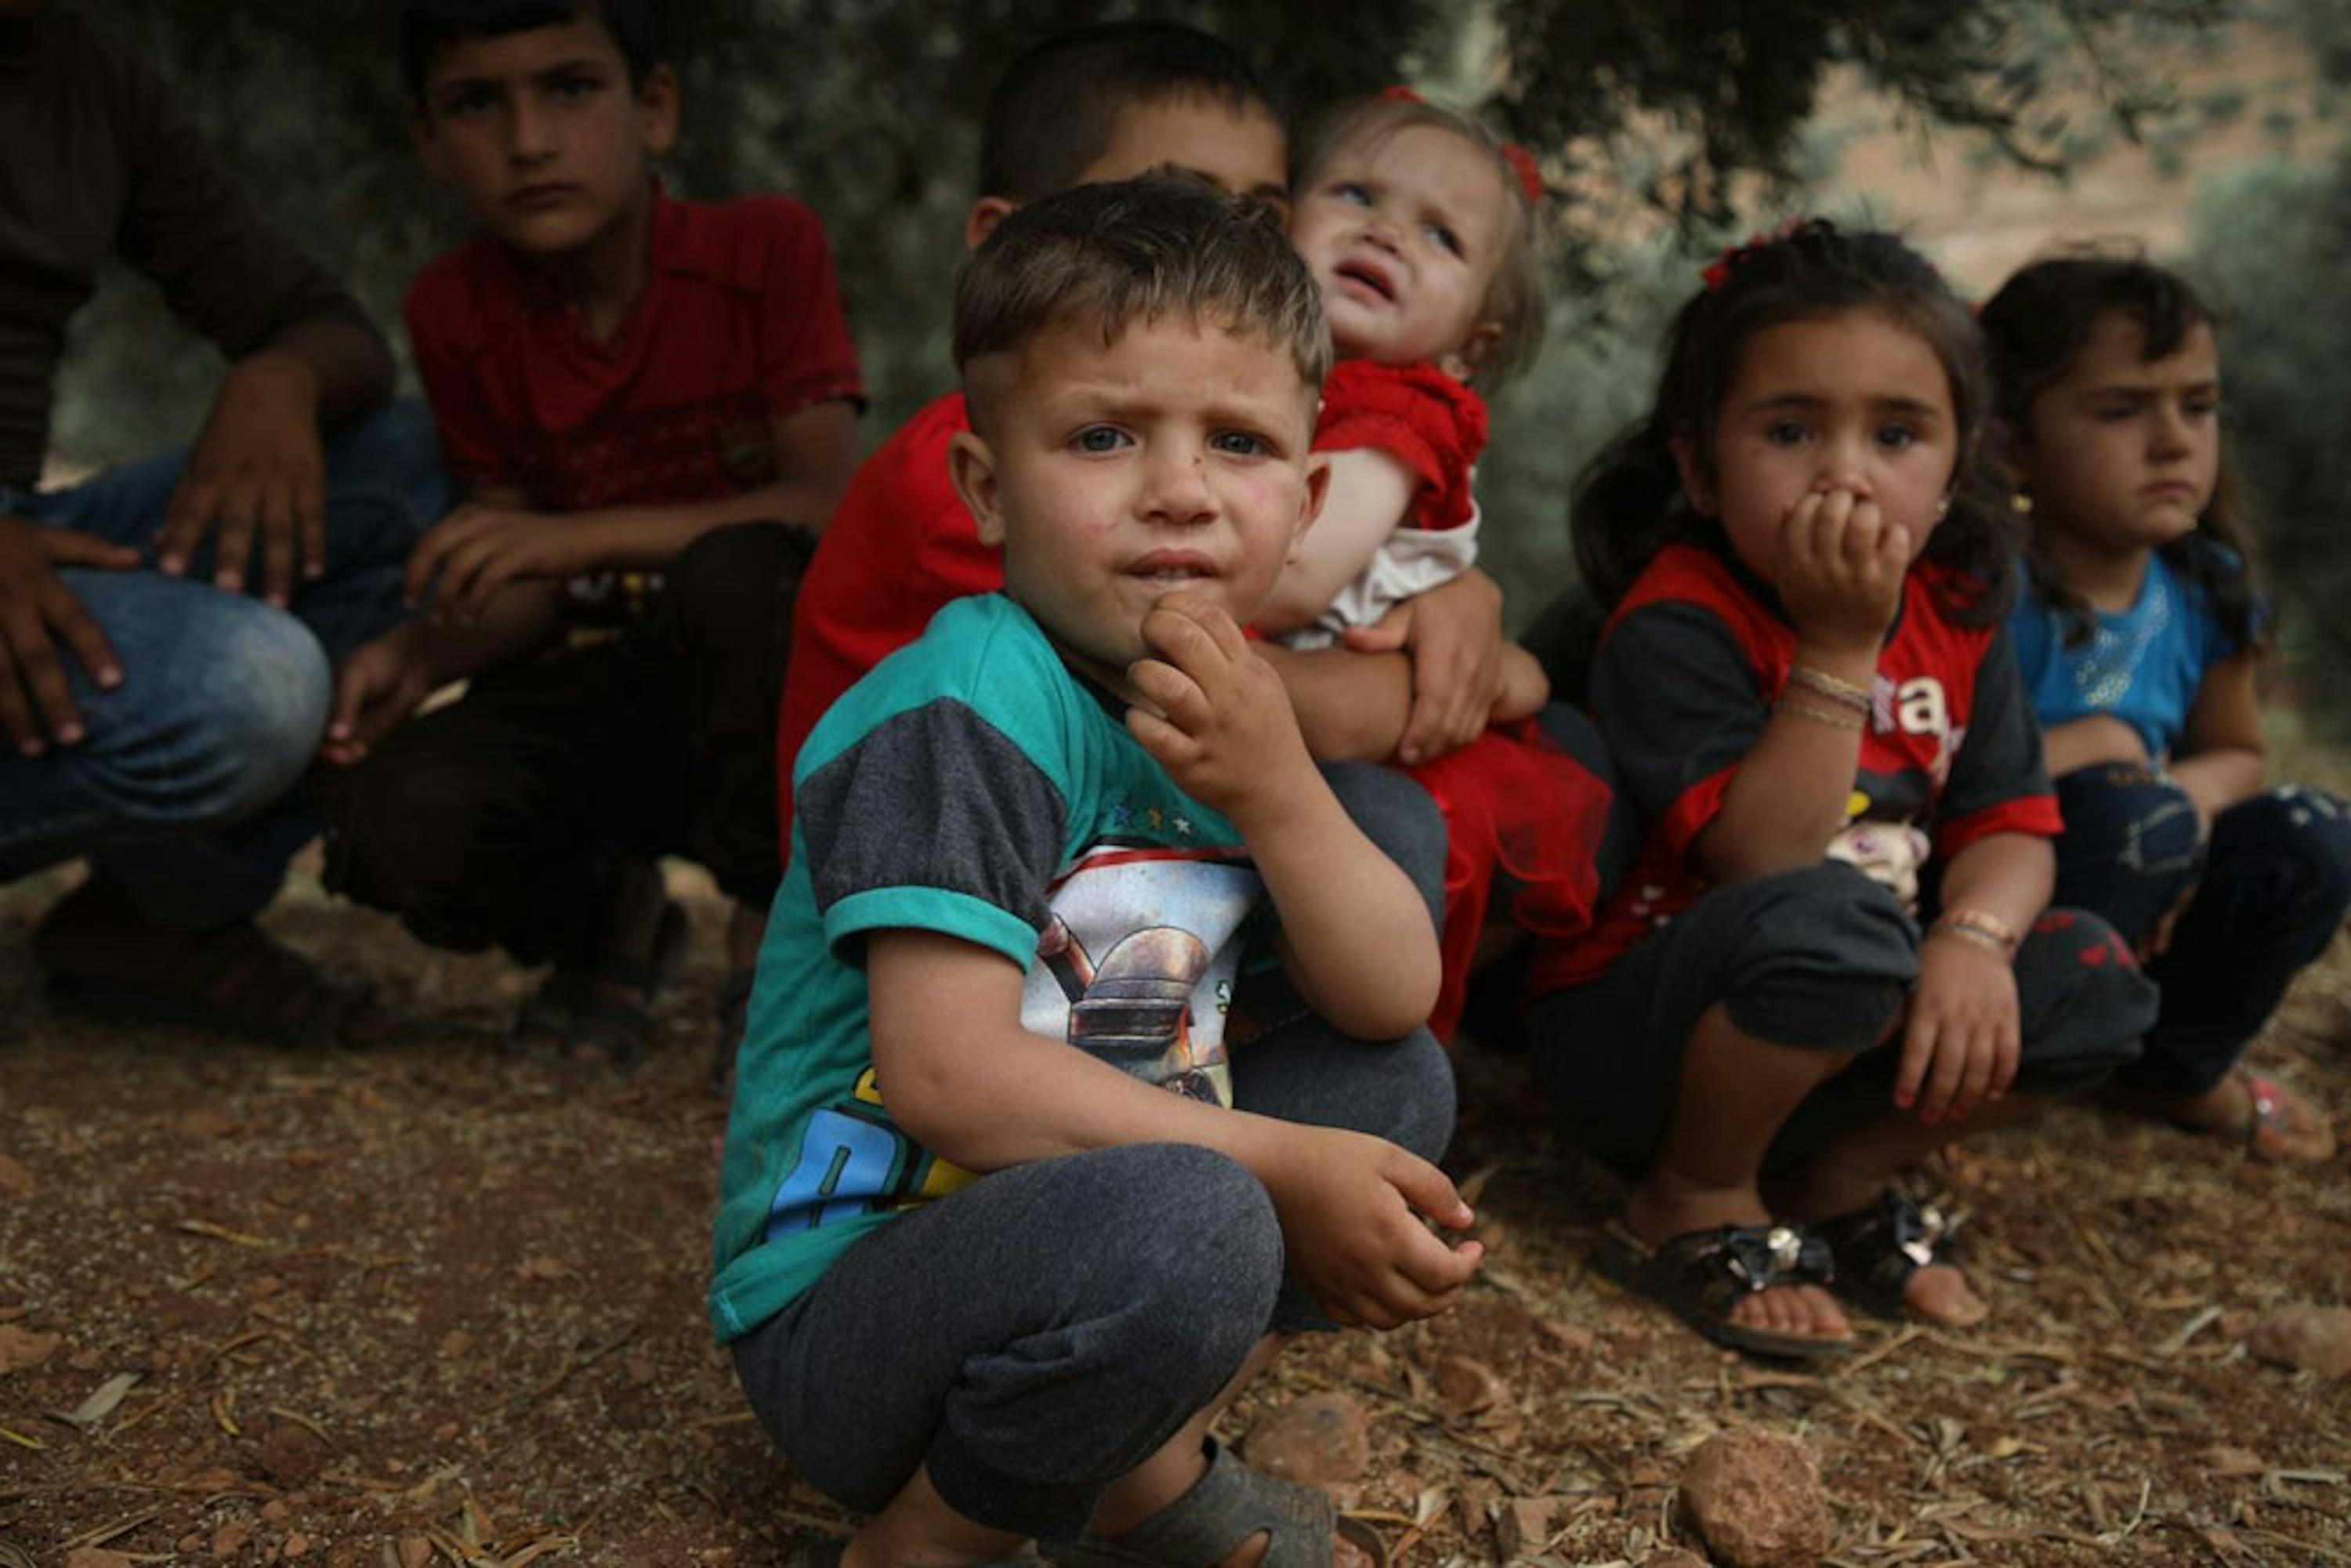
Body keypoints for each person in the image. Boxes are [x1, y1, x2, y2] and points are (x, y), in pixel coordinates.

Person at [714, 177, 1477, 1568]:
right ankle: (938, 1536)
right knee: (1205, 1223)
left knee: (1397, 1084)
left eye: (1238, 442)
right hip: (866, 1300)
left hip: (1096, 1220)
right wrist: (1279, 1167)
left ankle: (1124, 1467)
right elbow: (946, 1077)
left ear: (1306, 502)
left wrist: (1282, 789)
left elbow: (1392, 993)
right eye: (1105, 434)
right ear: (986, 486)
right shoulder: (966, 706)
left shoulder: (1225, 700)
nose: (1178, 488)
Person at [1530, 220, 2157, 1359]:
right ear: (1699, 468)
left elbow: (2010, 824)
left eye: (1897, 432)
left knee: (2097, 980)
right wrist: (1837, 648)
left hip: (1855, 1014)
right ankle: (1698, 1189)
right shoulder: (1678, 622)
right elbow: (1765, 859)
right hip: (1657, 1048)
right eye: (1789, 429)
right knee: (1839, 925)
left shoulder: (1960, 611)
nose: (1847, 472)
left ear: (1958, 463)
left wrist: (1972, 936)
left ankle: (1834, 1174)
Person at [775, 22, 1520, 852]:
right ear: (1001, 236)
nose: (1217, 249)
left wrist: (1453, 596)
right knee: (1386, 820)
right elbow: (1280, 709)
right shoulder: (993, 485)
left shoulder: (1157, 462)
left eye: (1259, 218)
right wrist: (1481, 675)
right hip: (938, 885)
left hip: (1098, 848)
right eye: (1160, 209)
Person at [324, 0, 863, 1059]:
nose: (529, 142)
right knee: (396, 820)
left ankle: (779, 944)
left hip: (781, 693)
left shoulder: (761, 250)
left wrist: (577, 540)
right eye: (478, 105)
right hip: (613, 685)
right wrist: (413, 653)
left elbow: (824, 509)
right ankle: (611, 917)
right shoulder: (454, 310)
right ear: (429, 146)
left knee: (744, 575)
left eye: (569, 89)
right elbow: (519, 575)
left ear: (653, 108)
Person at [0, 1, 448, 1044]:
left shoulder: (82, 66)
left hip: (24, 528)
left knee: (420, 472)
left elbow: (319, 321)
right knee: (247, 688)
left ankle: (154, 917)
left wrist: (281, 371)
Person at [1263, 89, 1624, 1041]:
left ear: (1473, 346)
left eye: (1441, 237)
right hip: (1283, 705)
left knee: (1381, 862)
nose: (1387, 234)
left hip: (1358, 713)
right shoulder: (1273, 377)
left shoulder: (1396, 412)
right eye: (1356, 195)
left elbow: (1293, 575)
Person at [1982, 253, 2351, 1163]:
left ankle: (2174, 1068)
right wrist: (2108, 753)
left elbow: (2237, 754)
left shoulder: (2202, 586)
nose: (2175, 442)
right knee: (2130, 811)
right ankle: (1984, 1073)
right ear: (2011, 440)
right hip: (2005, 891)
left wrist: (2177, 806)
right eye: (2122, 410)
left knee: (2313, 834)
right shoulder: (1986, 595)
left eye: (2198, 405)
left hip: (2150, 871)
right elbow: (1945, 772)